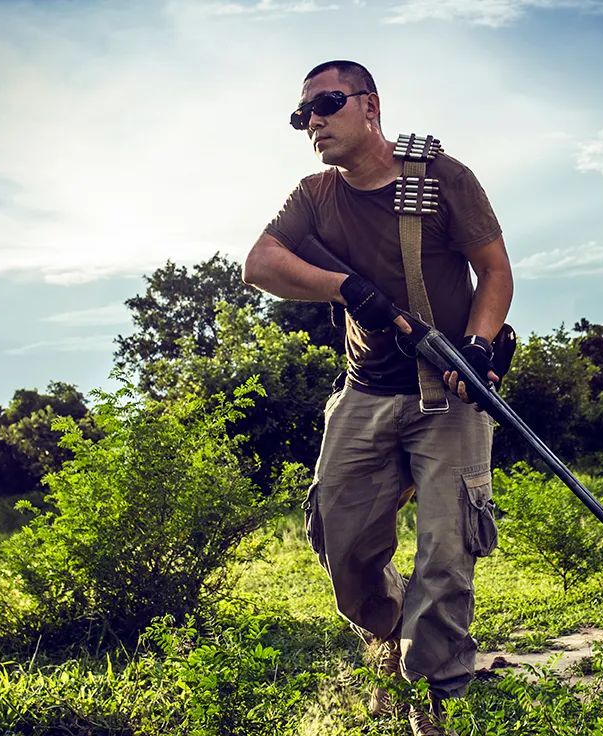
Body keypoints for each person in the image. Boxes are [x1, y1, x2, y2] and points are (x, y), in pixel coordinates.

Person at [242, 60, 513, 736]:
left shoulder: (442, 177)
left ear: (370, 105)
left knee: (446, 552)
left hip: (448, 392)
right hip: (365, 391)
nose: (313, 121)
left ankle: (440, 703)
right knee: (341, 542)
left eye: (327, 103)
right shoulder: (313, 194)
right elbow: (260, 264)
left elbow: (496, 272)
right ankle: (391, 628)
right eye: (303, 113)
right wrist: (344, 289)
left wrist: (478, 349)